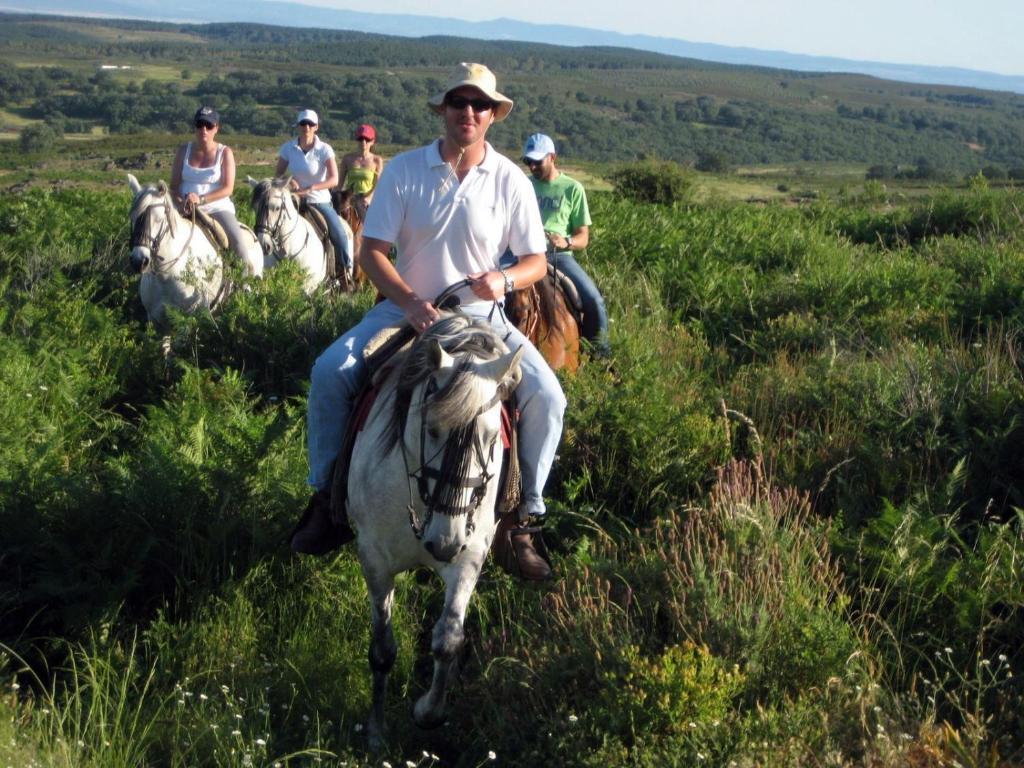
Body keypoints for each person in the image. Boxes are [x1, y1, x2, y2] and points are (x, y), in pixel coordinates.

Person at [293, 62, 564, 581]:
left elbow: (534, 261)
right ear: (443, 110)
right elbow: (372, 252)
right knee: (330, 372)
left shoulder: (508, 179)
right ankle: (326, 497)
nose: (468, 112)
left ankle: (522, 518)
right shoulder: (405, 170)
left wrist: (503, 282)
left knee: (548, 396)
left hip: (482, 317)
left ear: (492, 116)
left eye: (479, 104)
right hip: (404, 310)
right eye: (459, 102)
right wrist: (411, 302)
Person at [522, 132, 610, 357]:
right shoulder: (523, 185)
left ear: (552, 157)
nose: (532, 167)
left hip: (558, 256)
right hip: (523, 253)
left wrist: (566, 241)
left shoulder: (573, 189)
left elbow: (583, 237)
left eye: (537, 161)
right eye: (528, 162)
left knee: (594, 301)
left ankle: (599, 359)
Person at [171, 106, 260, 276]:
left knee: (238, 241)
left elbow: (228, 188)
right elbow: (173, 187)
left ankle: (245, 283)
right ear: (195, 127)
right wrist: (181, 202)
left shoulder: (224, 152)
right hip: (184, 207)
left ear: (216, 128)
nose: (203, 129)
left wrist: (201, 200)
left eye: (209, 126)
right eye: (200, 125)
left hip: (216, 208)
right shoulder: (183, 151)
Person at [275, 109, 354, 278]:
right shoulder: (288, 148)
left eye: (310, 124)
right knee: (269, 226)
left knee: (339, 234)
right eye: (303, 123)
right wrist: (291, 181)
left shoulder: (324, 149)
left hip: (319, 201)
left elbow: (334, 179)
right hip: (294, 200)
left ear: (316, 127)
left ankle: (344, 273)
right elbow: (278, 175)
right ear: (298, 126)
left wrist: (312, 188)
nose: (307, 127)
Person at [338, 123, 385, 220]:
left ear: (372, 142)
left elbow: (378, 184)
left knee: (371, 225)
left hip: (367, 199)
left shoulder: (377, 160)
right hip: (350, 198)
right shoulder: (348, 158)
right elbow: (339, 184)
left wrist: (368, 198)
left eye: (367, 139)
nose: (363, 142)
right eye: (360, 139)